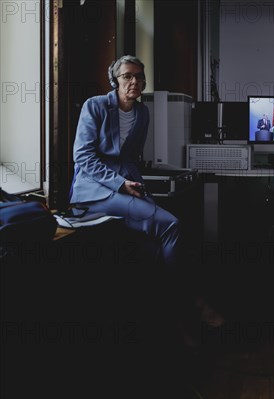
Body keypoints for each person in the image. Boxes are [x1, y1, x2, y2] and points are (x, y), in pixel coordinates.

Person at [69, 55, 223, 327]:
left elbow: (129, 159)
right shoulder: (95, 106)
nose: (135, 81)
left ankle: (164, 312)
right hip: (93, 193)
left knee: (154, 244)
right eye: (127, 76)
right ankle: (187, 308)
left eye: (139, 77)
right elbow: (83, 157)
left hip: (124, 189)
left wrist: (141, 188)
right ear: (114, 81)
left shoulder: (142, 112)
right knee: (171, 226)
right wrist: (120, 184)